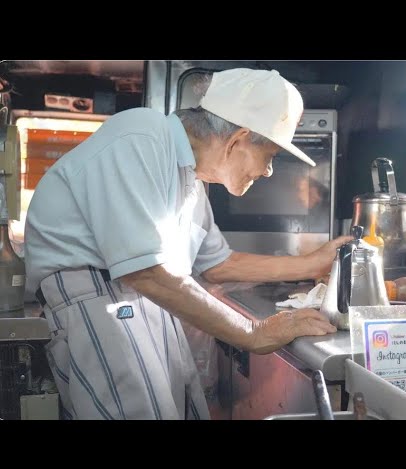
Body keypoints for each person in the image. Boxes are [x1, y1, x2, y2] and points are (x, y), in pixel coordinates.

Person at [24, 68, 351, 420]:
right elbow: (145, 273)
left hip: (147, 301)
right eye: (270, 155)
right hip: (100, 302)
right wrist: (253, 333)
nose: (269, 171)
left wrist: (313, 263)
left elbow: (217, 264)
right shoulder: (141, 136)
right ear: (238, 139)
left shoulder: (191, 180)